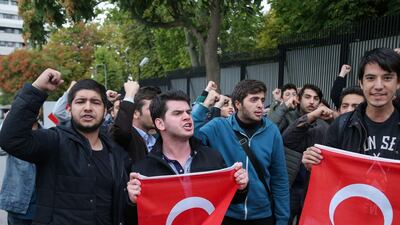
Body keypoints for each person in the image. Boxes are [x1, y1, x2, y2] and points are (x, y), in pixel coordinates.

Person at [0, 69, 131, 225]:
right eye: (80, 101)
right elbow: (11, 139)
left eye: (95, 102)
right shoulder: (54, 141)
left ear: (104, 111)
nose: (88, 107)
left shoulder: (115, 152)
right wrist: (37, 88)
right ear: (69, 109)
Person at [126, 90, 249, 224]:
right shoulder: (143, 170)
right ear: (160, 123)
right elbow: (136, 219)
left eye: (188, 112)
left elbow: (232, 199)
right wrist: (132, 201)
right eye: (177, 113)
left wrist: (241, 185)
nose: (187, 117)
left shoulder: (212, 156)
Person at [193, 80, 290, 225]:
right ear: (237, 104)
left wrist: (282, 220)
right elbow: (191, 137)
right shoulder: (219, 126)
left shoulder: (272, 131)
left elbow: (280, 178)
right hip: (227, 213)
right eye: (253, 99)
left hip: (263, 215)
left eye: (262, 100)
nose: (260, 105)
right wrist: (205, 104)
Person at [303, 47, 400, 169]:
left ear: (398, 82)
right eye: (370, 78)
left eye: (387, 78)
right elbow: (329, 174)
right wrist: (314, 163)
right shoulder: (342, 125)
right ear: (361, 82)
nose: (378, 86)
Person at [282, 84, 333, 225]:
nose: (312, 101)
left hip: (311, 187)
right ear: (298, 99)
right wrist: (310, 116)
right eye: (307, 97)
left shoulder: (323, 125)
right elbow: (286, 139)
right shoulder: (288, 117)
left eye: (316, 98)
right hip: (289, 185)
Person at [0, 111, 39, 225]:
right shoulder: (13, 138)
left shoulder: (49, 134)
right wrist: (8, 122)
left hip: (42, 208)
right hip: (17, 205)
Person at [110, 81, 161, 162]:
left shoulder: (155, 140)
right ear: (135, 113)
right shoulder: (124, 137)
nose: (157, 112)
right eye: (152, 108)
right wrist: (130, 94)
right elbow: (122, 130)